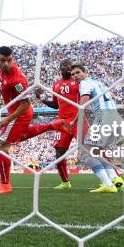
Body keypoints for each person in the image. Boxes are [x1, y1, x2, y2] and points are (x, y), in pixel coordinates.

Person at [0, 44, 57, 194]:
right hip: (18, 111)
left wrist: (8, 119)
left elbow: (26, 104)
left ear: (12, 59)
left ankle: (5, 184)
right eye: (3, 60)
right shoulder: (0, 64)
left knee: (1, 146)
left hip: (20, 113)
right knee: (19, 137)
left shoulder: (17, 80)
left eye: (9, 60)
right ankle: (52, 125)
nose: (6, 64)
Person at [70, 63, 124, 193]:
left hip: (104, 118)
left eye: (77, 72)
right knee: (97, 152)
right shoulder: (99, 83)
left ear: (85, 72)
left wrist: (75, 120)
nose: (75, 76)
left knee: (84, 154)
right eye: (73, 74)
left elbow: (83, 104)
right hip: (115, 118)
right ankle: (115, 179)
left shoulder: (84, 84)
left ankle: (108, 185)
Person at [35, 59, 79, 190]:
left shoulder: (78, 82)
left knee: (91, 149)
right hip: (62, 122)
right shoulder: (56, 85)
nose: (66, 67)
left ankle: (113, 179)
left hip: (77, 120)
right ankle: (65, 182)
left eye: (69, 66)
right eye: (64, 66)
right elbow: (56, 104)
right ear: (60, 68)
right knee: (59, 152)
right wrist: (42, 99)